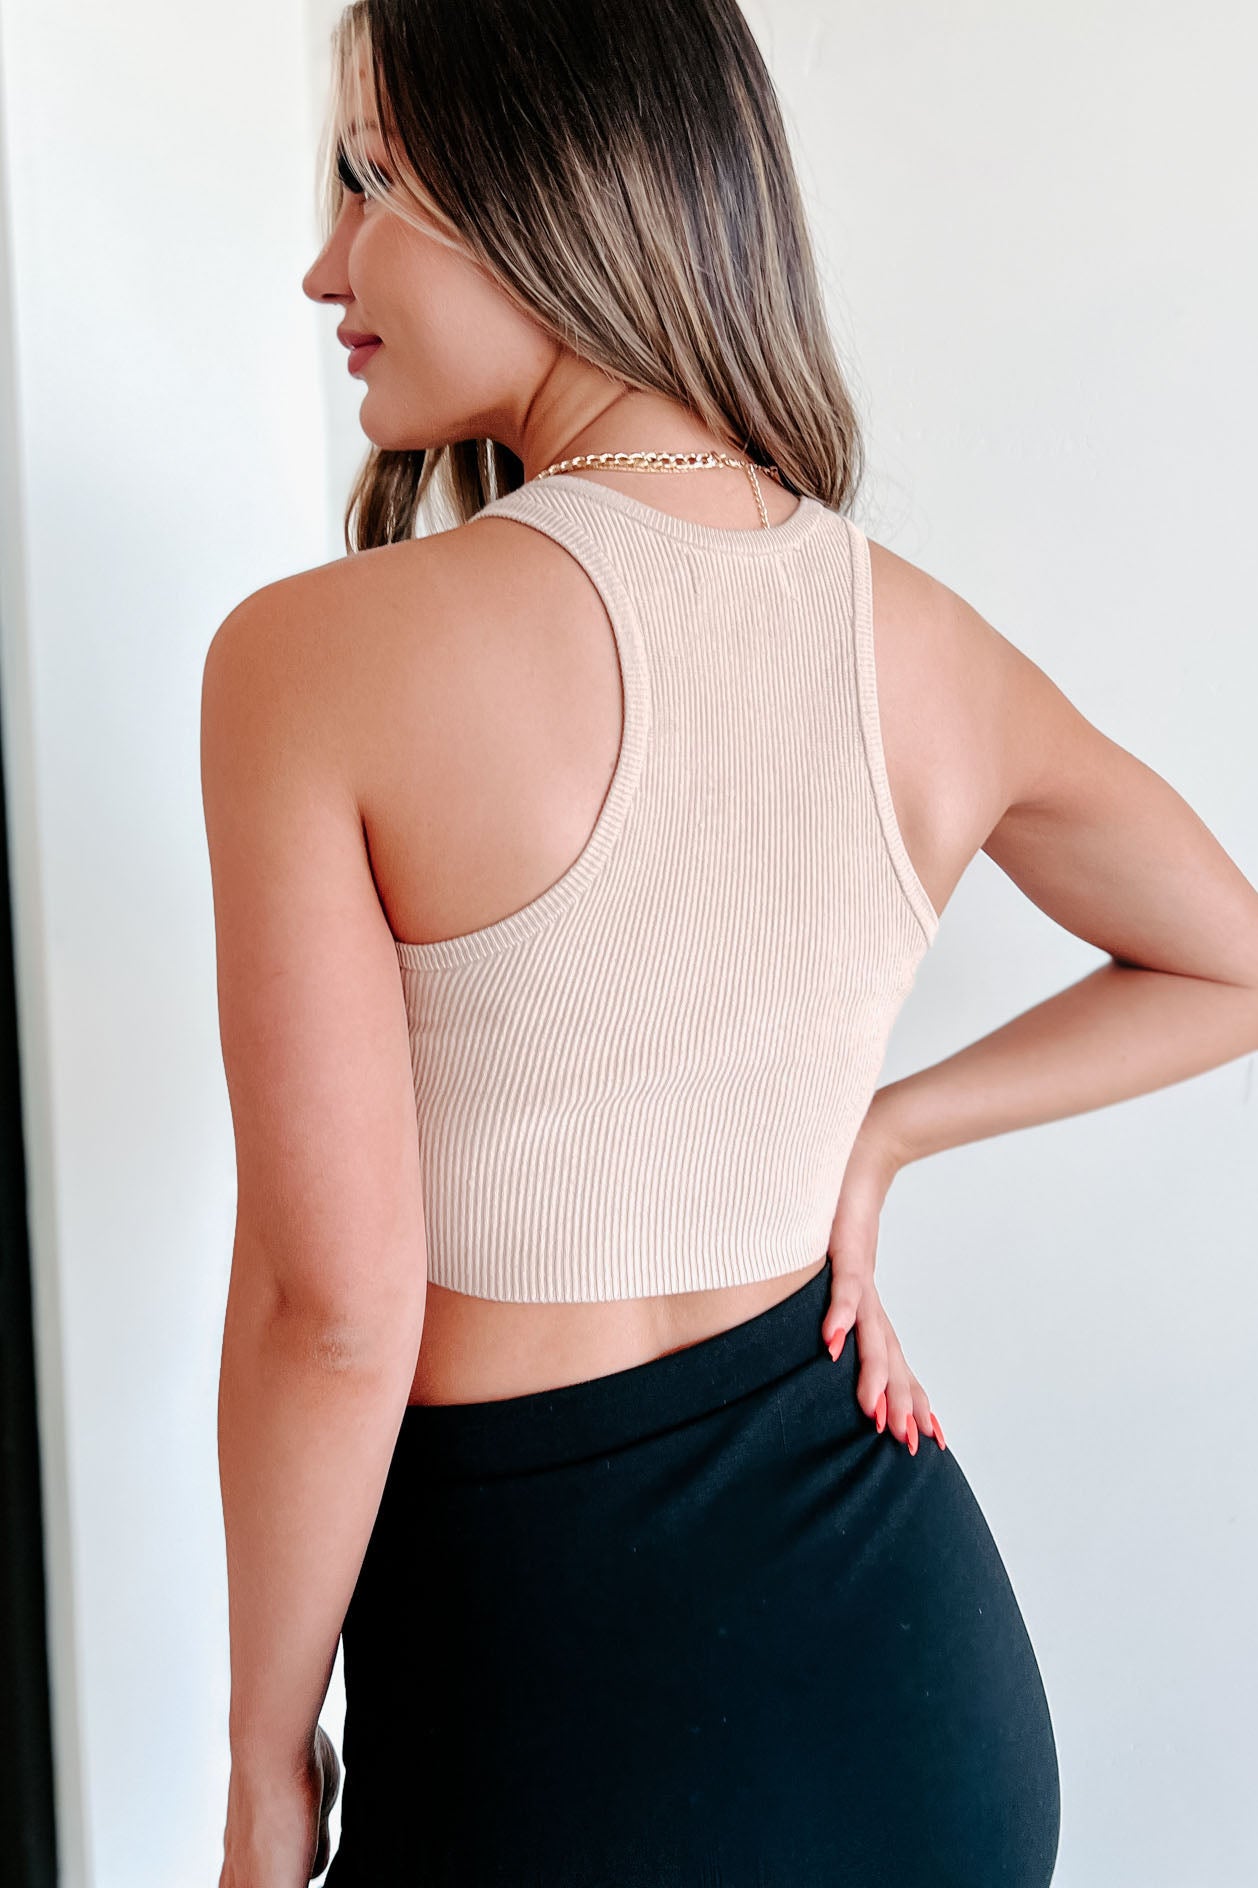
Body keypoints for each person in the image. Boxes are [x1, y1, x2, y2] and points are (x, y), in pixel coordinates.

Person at [204, 4, 1258, 1885]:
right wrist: (881, 1134)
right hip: (911, 1682)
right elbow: (1227, 959)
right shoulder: (925, 648)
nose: (325, 263)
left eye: (373, 178)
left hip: (549, 1713)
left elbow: (331, 1311)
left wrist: (267, 1762)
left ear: (549, 179)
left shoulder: (312, 664)